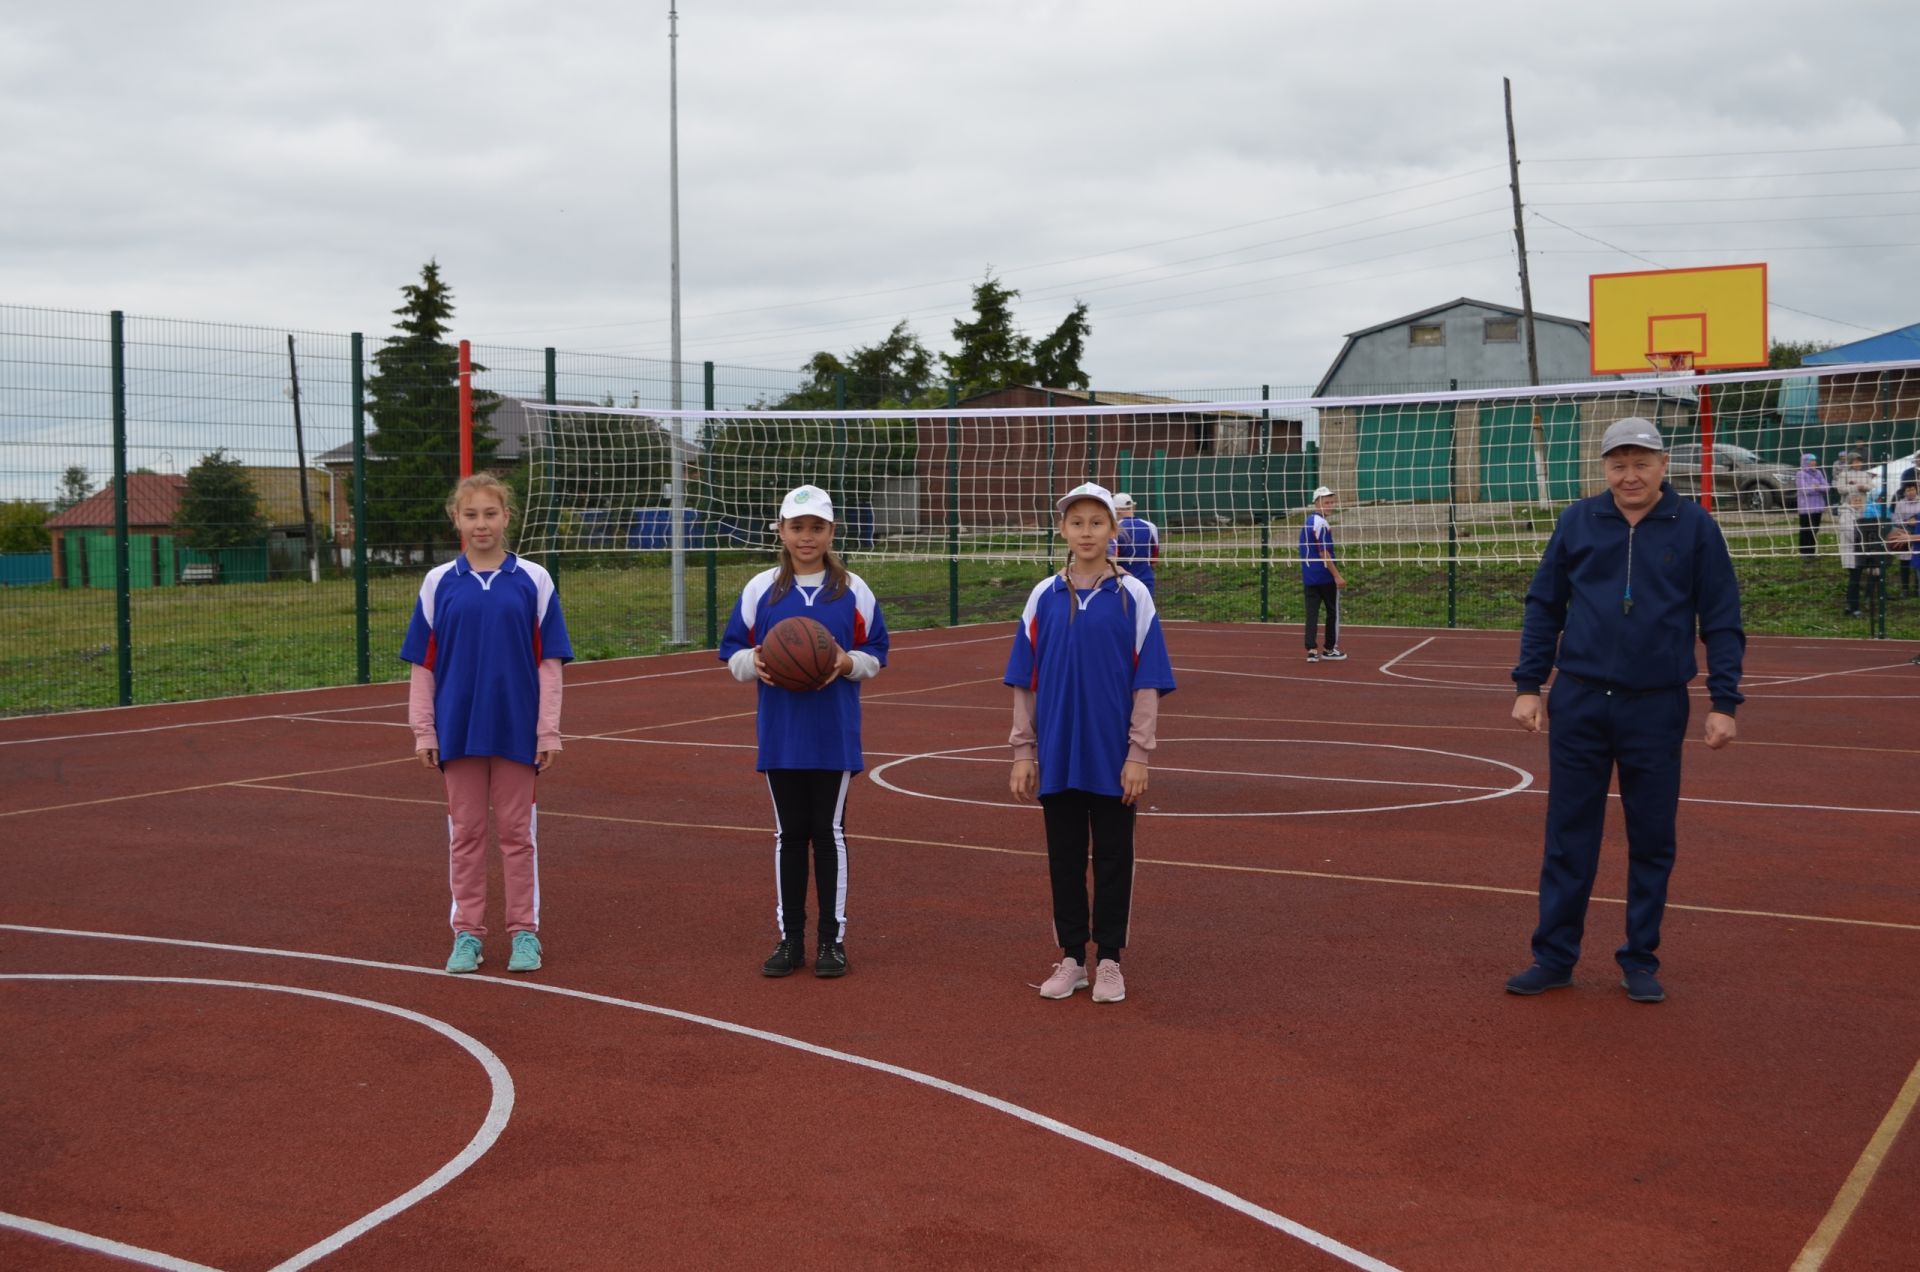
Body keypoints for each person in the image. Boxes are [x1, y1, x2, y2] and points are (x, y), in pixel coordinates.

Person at [1506, 417, 1745, 1005]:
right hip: (1581, 700)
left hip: (1657, 706)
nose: (1629, 475)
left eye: (1641, 463)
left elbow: (1721, 617)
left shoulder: (1695, 527)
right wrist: (1529, 684)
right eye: (1618, 463)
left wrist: (1724, 700)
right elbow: (1545, 605)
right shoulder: (1577, 521)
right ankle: (1554, 956)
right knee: (1568, 836)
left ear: (1663, 465)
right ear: (1604, 468)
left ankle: (1639, 958)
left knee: (1653, 837)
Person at [1007, 482, 1177, 1005]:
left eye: (1096, 522)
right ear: (1062, 530)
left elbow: (1146, 681)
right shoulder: (1043, 595)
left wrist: (1138, 754)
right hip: (1057, 753)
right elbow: (1024, 680)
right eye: (1076, 522)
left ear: (1113, 530)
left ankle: (1109, 961)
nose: (1086, 531)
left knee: (1112, 857)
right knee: (1063, 858)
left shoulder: (1135, 596)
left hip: (1112, 756)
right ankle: (1072, 959)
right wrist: (1022, 752)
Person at [402, 474, 572, 975]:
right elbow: (423, 665)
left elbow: (550, 664)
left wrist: (548, 729)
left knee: (518, 835)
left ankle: (523, 933)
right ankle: (467, 935)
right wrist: (424, 729)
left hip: (518, 730)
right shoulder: (438, 583)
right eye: (471, 515)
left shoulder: (534, 580)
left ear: (506, 517)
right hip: (458, 731)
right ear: (456, 519)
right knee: (466, 834)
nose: (481, 524)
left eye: (490, 514)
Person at [719, 484, 889, 980]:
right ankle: (791, 939)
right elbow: (732, 651)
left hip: (834, 731)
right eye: (797, 527)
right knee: (789, 834)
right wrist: (756, 661)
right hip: (781, 732)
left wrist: (847, 661)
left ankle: (831, 942)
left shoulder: (853, 589)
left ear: (831, 531)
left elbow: (877, 651)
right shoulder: (761, 589)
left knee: (828, 832)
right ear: (782, 531)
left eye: (816, 527)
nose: (807, 537)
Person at [1299, 485, 1347, 662]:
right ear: (1317, 503)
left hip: (1309, 576)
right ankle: (1329, 648)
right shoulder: (1321, 523)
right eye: (1326, 502)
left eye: (1332, 502)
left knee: (1312, 613)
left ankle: (1311, 649)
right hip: (1324, 576)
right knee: (1332, 612)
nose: (1330, 505)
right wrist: (1337, 575)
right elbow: (1323, 553)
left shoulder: (1308, 522)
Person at [1109, 492, 1161, 596]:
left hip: (1122, 581)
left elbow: (1112, 558)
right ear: (1133, 507)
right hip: (1146, 580)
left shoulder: (1115, 529)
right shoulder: (1151, 526)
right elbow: (1154, 558)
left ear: (1116, 510)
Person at [1795, 453, 1830, 556]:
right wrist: (1817, 487)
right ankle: (1804, 552)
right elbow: (1804, 490)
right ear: (1806, 462)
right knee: (1806, 530)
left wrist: (1816, 487)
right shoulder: (1800, 474)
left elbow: (1827, 487)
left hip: (1817, 507)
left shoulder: (1818, 473)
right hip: (1805, 508)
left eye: (1815, 460)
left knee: (1815, 529)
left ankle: (1812, 552)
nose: (1814, 462)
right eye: (1812, 460)